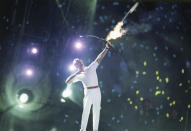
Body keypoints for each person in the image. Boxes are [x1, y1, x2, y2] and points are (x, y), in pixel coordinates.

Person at [65, 40, 111, 131]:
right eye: (77, 63)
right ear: (76, 66)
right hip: (88, 92)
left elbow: (99, 58)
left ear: (81, 62)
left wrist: (106, 48)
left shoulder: (90, 68)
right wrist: (76, 73)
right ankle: (82, 129)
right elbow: (67, 82)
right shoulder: (78, 75)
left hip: (97, 90)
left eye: (79, 61)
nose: (79, 63)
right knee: (86, 111)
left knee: (96, 111)